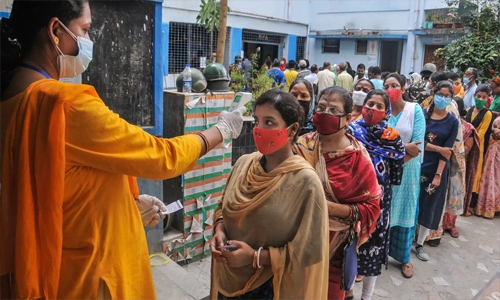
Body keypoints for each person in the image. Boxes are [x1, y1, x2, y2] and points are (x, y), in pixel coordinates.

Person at [0, 2, 246, 299]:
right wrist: (220, 131)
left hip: (57, 271)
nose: (90, 40)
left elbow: (60, 188)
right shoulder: (65, 105)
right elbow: (161, 156)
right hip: (96, 277)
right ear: (55, 31)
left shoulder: (10, 100)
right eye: (85, 29)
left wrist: (125, 205)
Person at [210, 90, 329, 300]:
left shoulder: (305, 182)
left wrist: (255, 257)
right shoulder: (244, 164)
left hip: (271, 287)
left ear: (292, 130)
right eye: (257, 121)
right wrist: (220, 230)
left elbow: (310, 250)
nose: (259, 129)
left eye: (270, 122)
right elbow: (222, 206)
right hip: (228, 280)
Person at [294, 86, 381, 300]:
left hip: (337, 250)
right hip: (296, 244)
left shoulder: (357, 158)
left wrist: (328, 208)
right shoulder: (301, 146)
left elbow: (371, 207)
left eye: (333, 110)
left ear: (348, 118)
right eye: (321, 107)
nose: (325, 114)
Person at [347, 90, 405, 300]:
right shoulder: (350, 131)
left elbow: (396, 176)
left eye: (379, 106)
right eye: (370, 103)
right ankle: (348, 291)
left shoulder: (393, 138)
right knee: (351, 245)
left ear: (387, 111)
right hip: (351, 197)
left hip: (379, 201)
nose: (373, 109)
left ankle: (367, 296)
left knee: (373, 247)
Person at [384, 73, 426, 278]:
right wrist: (403, 147)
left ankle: (404, 258)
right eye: (386, 86)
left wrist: (395, 165)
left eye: (394, 85)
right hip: (383, 172)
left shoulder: (414, 110)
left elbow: (416, 146)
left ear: (403, 88)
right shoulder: (381, 112)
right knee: (384, 212)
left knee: (404, 212)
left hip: (407, 172)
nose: (390, 89)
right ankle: (377, 254)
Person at [415, 81, 459, 261]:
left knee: (429, 204)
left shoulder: (453, 121)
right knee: (412, 202)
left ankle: (419, 243)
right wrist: (437, 148)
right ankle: (405, 238)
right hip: (416, 165)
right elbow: (418, 141)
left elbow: (447, 151)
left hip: (436, 169)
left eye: (447, 96)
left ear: (451, 99)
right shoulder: (422, 114)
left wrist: (439, 175)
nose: (443, 98)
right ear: (433, 93)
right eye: (440, 94)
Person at [464, 84, 493, 215]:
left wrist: (469, 140)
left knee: (474, 175)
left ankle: (471, 204)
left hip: (477, 147)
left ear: (488, 99)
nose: (480, 99)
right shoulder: (469, 110)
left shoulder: (487, 114)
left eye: (484, 97)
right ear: (474, 96)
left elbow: (481, 133)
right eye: (478, 96)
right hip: (465, 146)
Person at [476, 117, 500, 218]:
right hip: (494, 150)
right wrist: (494, 130)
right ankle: (488, 206)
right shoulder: (498, 119)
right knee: (491, 176)